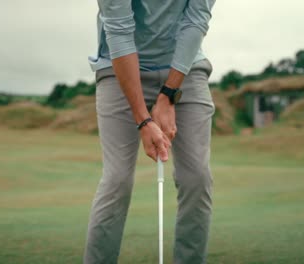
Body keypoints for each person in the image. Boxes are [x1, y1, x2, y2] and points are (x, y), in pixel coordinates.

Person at [84, 0, 216, 263]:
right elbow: (120, 32)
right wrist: (143, 120)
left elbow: (196, 19)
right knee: (117, 180)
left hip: (185, 67)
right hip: (118, 68)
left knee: (197, 178)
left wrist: (168, 95)